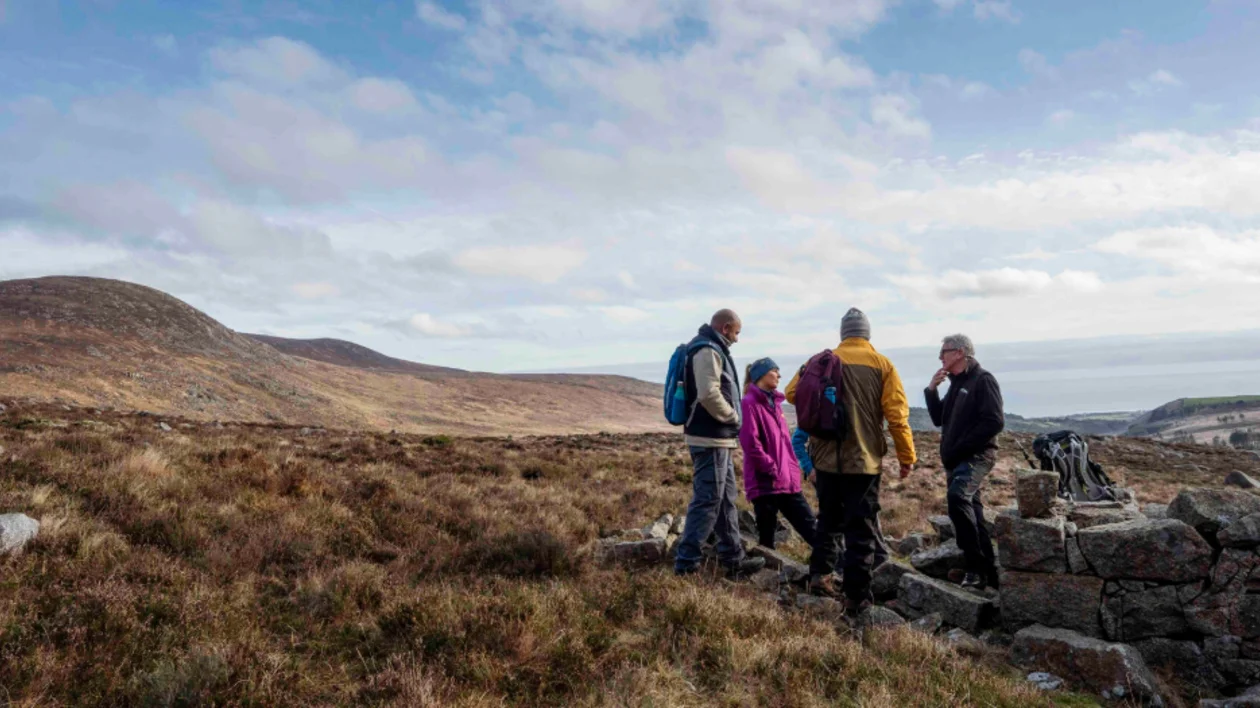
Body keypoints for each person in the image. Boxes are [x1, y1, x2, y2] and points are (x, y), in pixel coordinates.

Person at [785, 308, 916, 617]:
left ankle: (820, 576)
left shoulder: (820, 360)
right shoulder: (883, 365)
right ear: (867, 334)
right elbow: (897, 416)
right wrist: (906, 456)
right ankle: (857, 597)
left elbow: (791, 393)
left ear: (843, 333)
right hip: (864, 462)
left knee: (828, 519)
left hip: (826, 459)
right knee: (861, 528)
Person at [673, 310, 766, 579]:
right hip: (710, 438)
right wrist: (734, 417)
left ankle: (733, 559)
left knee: (724, 499)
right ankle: (686, 563)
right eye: (736, 332)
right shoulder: (707, 350)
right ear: (725, 328)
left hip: (718, 439)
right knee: (708, 499)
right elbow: (708, 393)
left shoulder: (712, 348)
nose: (737, 339)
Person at [925, 334, 1005, 590]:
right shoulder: (957, 383)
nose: (940, 357)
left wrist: (961, 447)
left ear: (959, 352)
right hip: (956, 459)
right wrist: (931, 390)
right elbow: (939, 419)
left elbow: (994, 421)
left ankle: (974, 568)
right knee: (973, 510)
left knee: (958, 499)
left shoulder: (983, 380)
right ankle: (988, 572)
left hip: (977, 456)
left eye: (944, 352)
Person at [738, 357, 817, 550]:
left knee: (812, 530)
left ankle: (836, 569)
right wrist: (771, 468)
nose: (779, 375)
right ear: (761, 375)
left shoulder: (777, 405)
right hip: (765, 482)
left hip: (787, 481)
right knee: (767, 539)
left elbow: (785, 444)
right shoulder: (748, 404)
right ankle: (765, 575)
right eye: (775, 371)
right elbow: (750, 443)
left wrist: (791, 470)